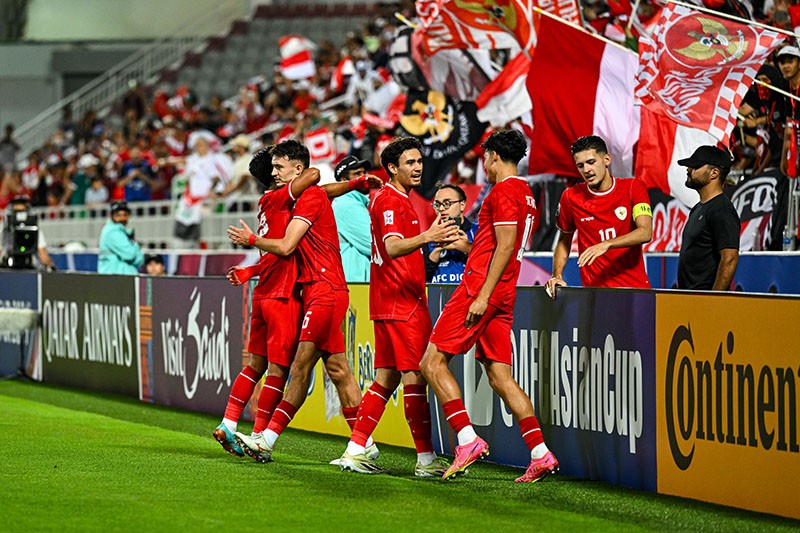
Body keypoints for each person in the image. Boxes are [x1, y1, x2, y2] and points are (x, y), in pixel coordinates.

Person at [225, 140, 379, 463]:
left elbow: (284, 246)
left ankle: (266, 439)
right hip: (320, 290)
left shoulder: (307, 198)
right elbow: (323, 185)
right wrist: (354, 183)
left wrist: (251, 240)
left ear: (296, 168)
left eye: (279, 167)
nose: (274, 172)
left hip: (324, 290)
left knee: (299, 366)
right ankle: (364, 443)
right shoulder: (305, 195)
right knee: (339, 371)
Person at [419, 129, 559, 482]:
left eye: (485, 157)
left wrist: (482, 294)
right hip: (504, 291)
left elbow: (506, 245)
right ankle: (540, 452)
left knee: (432, 363)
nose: (483, 164)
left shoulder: (504, 190)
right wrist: (468, 250)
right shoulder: (526, 193)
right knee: (499, 375)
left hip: (480, 289)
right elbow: (497, 244)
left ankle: (466, 439)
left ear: (494, 156)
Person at [336, 137, 458, 476]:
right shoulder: (391, 201)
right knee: (415, 377)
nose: (418, 167)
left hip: (388, 300)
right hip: (402, 301)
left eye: (420, 161)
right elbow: (391, 247)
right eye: (410, 162)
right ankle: (426, 459)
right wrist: (428, 237)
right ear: (392, 168)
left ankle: (356, 448)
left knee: (385, 379)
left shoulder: (393, 199)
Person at [213, 145, 326, 458]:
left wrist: (250, 268)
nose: (277, 173)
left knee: (255, 365)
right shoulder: (280, 199)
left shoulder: (265, 204)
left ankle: (229, 423)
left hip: (262, 292)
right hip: (282, 296)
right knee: (278, 369)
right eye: (275, 168)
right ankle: (260, 436)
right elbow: (315, 176)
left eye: (281, 167)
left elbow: (271, 251)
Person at [546, 135, 652, 298]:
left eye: (591, 162)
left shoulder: (633, 188)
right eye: (580, 165)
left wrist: (607, 244)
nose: (586, 170)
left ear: (607, 159)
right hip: (594, 294)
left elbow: (645, 232)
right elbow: (563, 241)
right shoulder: (570, 197)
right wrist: (557, 275)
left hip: (634, 291)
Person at [677, 146, 740, 290]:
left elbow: (729, 258)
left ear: (714, 173)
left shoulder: (722, 210)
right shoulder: (698, 208)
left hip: (704, 302)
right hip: (689, 299)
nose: (688, 169)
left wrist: (714, 301)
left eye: (695, 166)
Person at [424, 183, 477, 284]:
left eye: (447, 203)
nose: (441, 209)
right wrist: (435, 253)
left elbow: (493, 266)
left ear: (462, 205)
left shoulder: (479, 231)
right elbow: (420, 279)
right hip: (439, 297)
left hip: (471, 297)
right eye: (437, 205)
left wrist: (467, 248)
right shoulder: (428, 238)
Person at [332, 155, 372, 282]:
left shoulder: (353, 202)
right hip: (353, 282)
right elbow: (373, 245)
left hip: (354, 279)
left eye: (364, 172)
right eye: (357, 173)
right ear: (344, 180)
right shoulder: (347, 203)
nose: (364, 177)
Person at [98, 201, 144, 275]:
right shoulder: (112, 232)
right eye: (118, 215)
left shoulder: (123, 232)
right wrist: (135, 245)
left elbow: (139, 260)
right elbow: (130, 255)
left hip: (123, 277)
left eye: (125, 215)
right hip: (115, 278)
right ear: (111, 216)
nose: (122, 218)